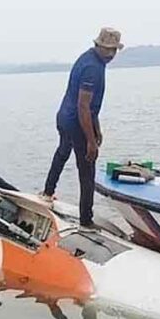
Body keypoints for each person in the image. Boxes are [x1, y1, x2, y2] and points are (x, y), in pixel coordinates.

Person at [41, 27, 123, 229]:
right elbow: (83, 106)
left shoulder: (89, 58)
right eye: (107, 49)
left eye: (114, 50)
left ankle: (47, 192)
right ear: (98, 45)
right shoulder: (93, 68)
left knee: (62, 152)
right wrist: (91, 142)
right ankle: (86, 220)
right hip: (75, 121)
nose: (111, 54)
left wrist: (97, 128)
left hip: (64, 116)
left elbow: (90, 107)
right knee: (87, 170)